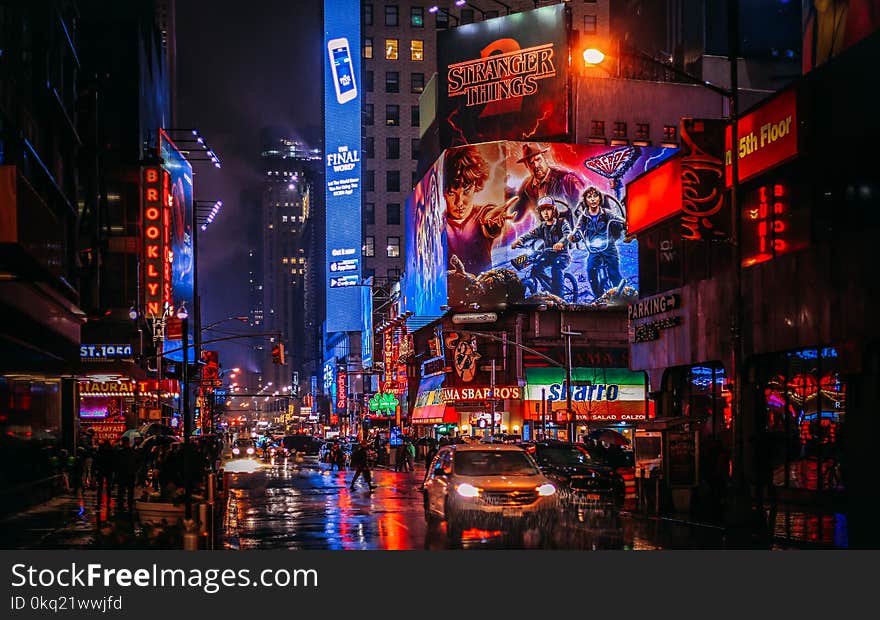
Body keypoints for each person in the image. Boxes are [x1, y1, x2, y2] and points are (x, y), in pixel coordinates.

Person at [444, 144, 517, 275]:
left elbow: (490, 220)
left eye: (466, 191)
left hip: (484, 290)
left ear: (476, 185)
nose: (459, 202)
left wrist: (492, 225)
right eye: (451, 193)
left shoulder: (483, 214)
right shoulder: (437, 225)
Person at [568, 186, 626, 300]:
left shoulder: (606, 213)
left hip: (608, 246)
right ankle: (598, 296)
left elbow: (620, 220)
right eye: (590, 197)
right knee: (591, 270)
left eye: (595, 196)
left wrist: (624, 224)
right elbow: (578, 229)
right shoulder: (584, 217)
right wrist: (574, 237)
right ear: (586, 200)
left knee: (614, 272)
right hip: (593, 249)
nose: (593, 199)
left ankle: (621, 296)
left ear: (600, 199)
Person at [511, 196, 572, 298]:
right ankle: (547, 284)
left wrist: (561, 243)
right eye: (542, 210)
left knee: (556, 270)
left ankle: (560, 298)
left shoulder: (562, 223)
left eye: (548, 209)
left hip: (561, 256)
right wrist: (520, 240)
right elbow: (531, 234)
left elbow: (568, 235)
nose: (545, 213)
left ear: (554, 210)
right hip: (547, 254)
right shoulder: (542, 227)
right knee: (536, 266)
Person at [510, 143, 584, 227]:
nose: (536, 165)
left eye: (538, 159)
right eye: (531, 163)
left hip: (567, 234)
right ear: (527, 166)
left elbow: (583, 211)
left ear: (545, 158)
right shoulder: (529, 188)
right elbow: (516, 216)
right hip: (547, 235)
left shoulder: (566, 179)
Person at [115, 436, 139, 514]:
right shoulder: (133, 452)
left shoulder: (119, 452)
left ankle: (121, 505)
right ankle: (129, 505)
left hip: (122, 474)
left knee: (121, 490)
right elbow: (136, 463)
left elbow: (116, 464)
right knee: (130, 491)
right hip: (130, 474)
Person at [93, 440, 115, 511]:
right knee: (108, 486)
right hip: (109, 470)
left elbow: (95, 461)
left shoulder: (100, 451)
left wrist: (94, 470)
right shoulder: (111, 452)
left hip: (101, 470)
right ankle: (108, 501)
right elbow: (114, 461)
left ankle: (99, 501)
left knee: (100, 486)